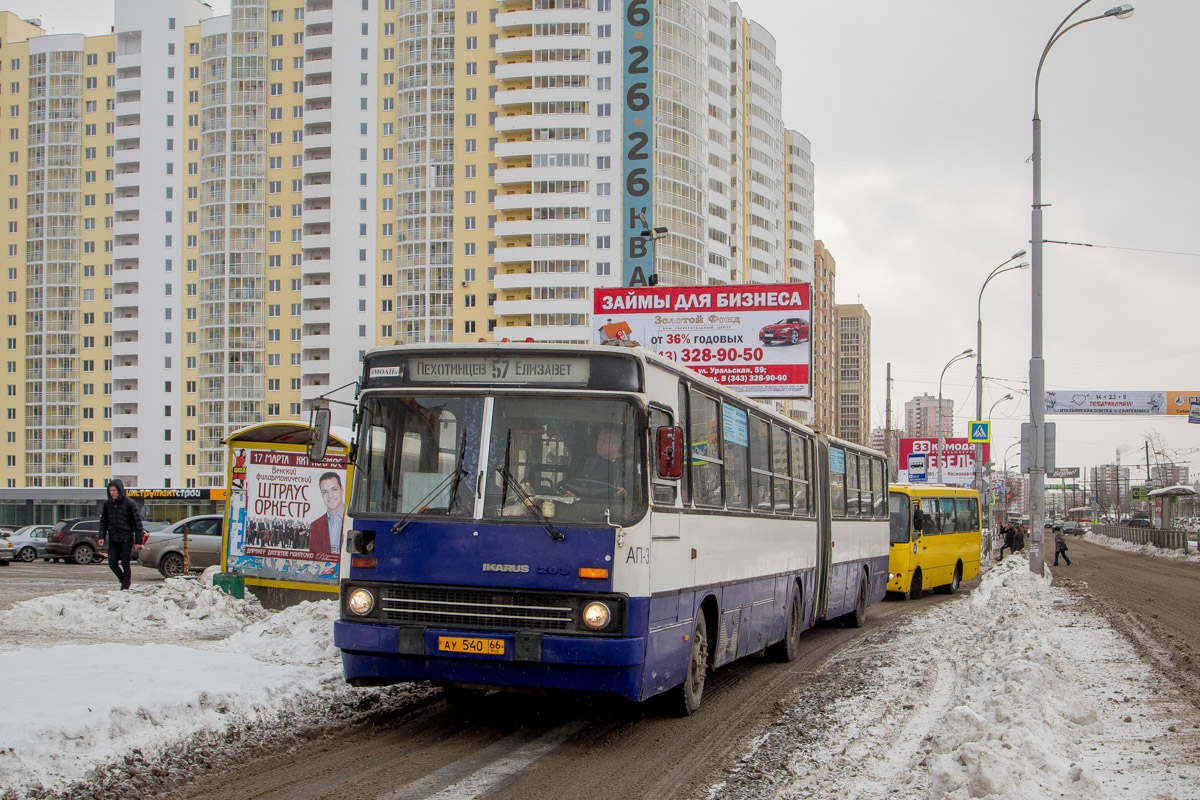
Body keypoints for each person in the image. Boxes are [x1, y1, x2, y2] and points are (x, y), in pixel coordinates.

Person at [98, 478, 144, 590]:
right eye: (110, 490)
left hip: (126, 538)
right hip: (113, 538)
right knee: (112, 563)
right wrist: (101, 536)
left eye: (114, 490)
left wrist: (138, 541)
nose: (112, 493)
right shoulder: (107, 504)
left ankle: (125, 586)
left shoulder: (130, 503)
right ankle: (123, 580)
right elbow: (103, 521)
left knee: (125, 563)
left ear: (120, 490)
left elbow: (138, 523)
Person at [308, 471, 345, 557]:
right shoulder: (315, 526)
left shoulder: (353, 519)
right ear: (321, 494)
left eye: (334, 489)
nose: (330, 495)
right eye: (325, 492)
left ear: (342, 489)